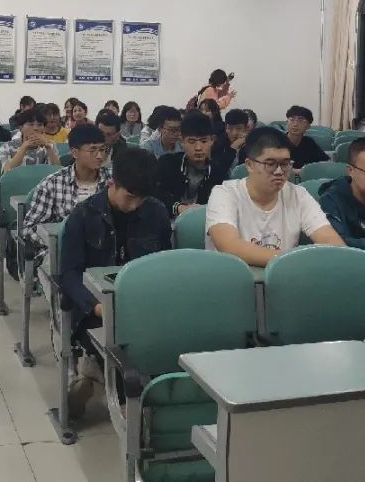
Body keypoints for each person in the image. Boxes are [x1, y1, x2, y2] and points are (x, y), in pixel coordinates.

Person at [59, 147, 171, 416]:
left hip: (142, 303)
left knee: (167, 339)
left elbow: (164, 265)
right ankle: (126, 404)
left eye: (141, 199)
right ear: (112, 182)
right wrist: (96, 307)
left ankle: (98, 375)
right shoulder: (83, 215)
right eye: (129, 197)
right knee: (120, 345)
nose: (135, 205)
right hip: (94, 309)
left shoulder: (156, 212)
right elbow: (69, 275)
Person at [206, 127, 345, 266]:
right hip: (236, 276)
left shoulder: (298, 195)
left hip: (285, 276)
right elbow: (230, 246)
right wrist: (297, 260)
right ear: (249, 165)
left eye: (285, 164)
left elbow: (331, 242)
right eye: (270, 164)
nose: (279, 171)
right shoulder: (225, 193)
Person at [23, 123, 110, 257]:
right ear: (74, 152)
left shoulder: (113, 182)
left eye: (103, 150)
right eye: (93, 150)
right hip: (62, 253)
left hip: (105, 253)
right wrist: (59, 242)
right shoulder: (52, 184)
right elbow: (29, 229)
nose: (100, 156)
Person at [156, 111, 229, 217]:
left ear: (212, 140)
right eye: (192, 141)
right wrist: (179, 208)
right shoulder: (166, 163)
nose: (198, 148)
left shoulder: (219, 173)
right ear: (182, 141)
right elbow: (155, 193)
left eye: (204, 141)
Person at [0, 107, 60, 172]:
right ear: (21, 128)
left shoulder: (50, 145)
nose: (36, 128)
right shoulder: (7, 147)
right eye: (31, 124)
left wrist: (48, 148)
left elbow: (58, 172)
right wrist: (24, 147)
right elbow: (7, 172)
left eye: (40, 125)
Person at [284, 105, 328, 170]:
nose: (295, 124)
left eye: (300, 120)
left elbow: (325, 162)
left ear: (308, 126)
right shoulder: (276, 142)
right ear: (287, 123)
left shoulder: (309, 142)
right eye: (292, 120)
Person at [211, 108, 250, 172]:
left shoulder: (252, 145)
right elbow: (218, 171)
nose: (234, 133)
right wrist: (233, 148)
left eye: (239, 128)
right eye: (230, 128)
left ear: (246, 129)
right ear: (226, 128)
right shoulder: (218, 144)